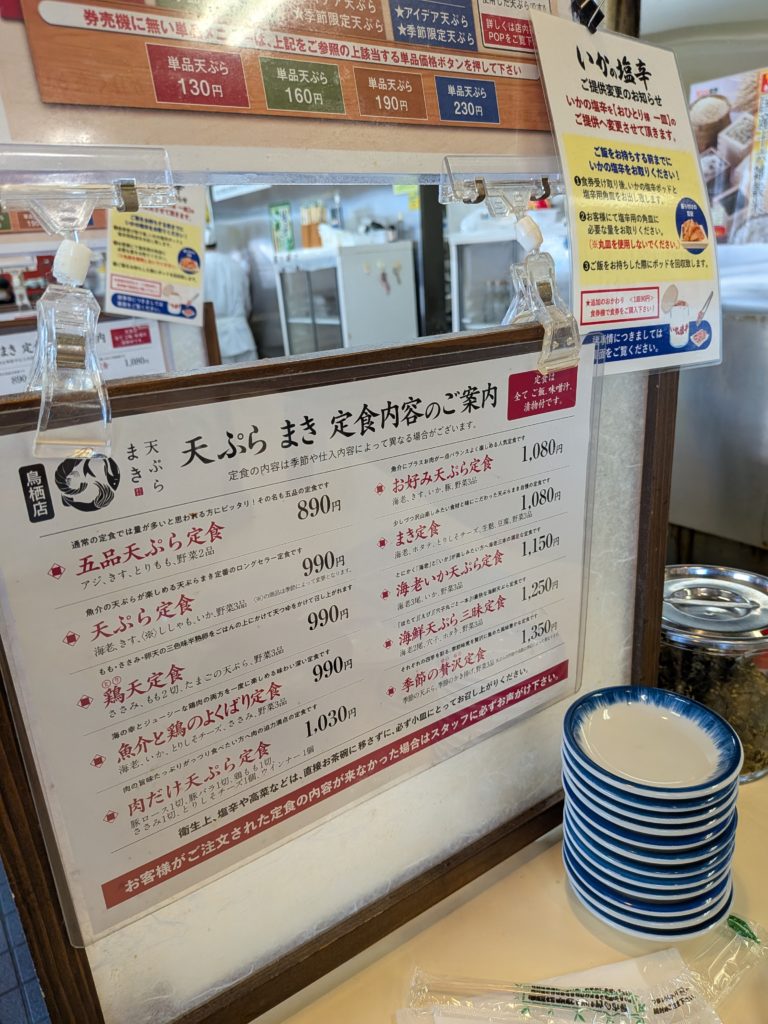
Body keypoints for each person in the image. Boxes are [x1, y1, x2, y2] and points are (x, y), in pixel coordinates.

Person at [204, 244, 258, 363]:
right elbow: (247, 304)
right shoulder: (235, 264)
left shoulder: (197, 269)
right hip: (243, 337)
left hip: (216, 342)